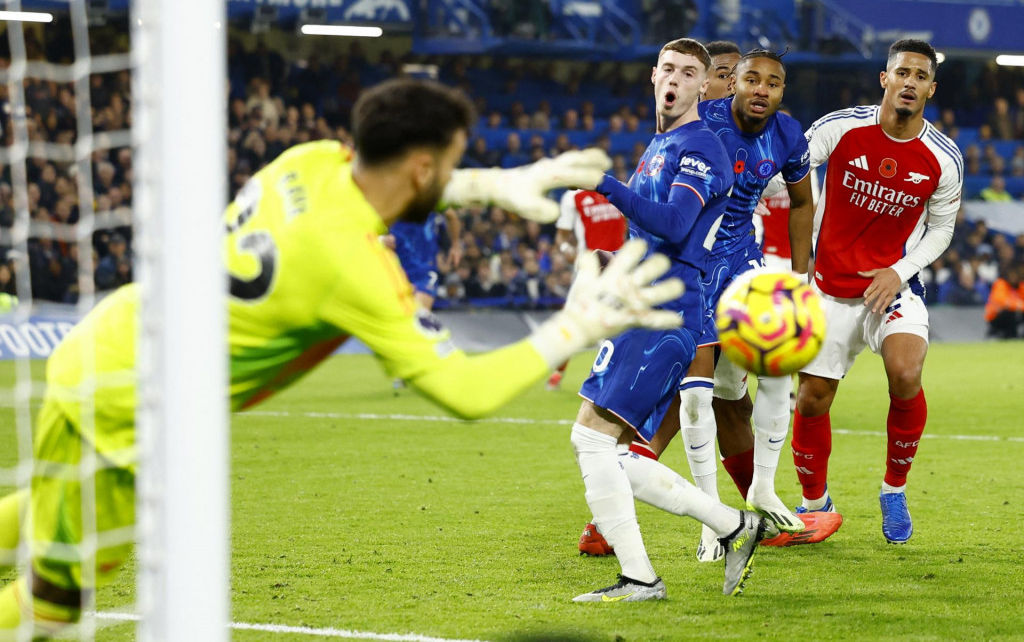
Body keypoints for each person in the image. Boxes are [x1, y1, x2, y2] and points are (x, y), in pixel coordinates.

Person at [0, 79, 685, 637]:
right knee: (55, 603)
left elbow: (396, 182)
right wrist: (575, 326)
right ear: (424, 165)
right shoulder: (352, 266)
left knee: (44, 508)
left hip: (109, 337)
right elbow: (465, 393)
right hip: (128, 407)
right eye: (449, 163)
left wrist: (492, 185)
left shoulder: (308, 160)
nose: (449, 176)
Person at [570, 38, 764, 604]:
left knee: (590, 439)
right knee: (611, 448)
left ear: (704, 86)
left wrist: (606, 184)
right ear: (654, 76)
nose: (676, 78)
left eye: (689, 72)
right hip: (648, 303)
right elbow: (658, 234)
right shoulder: (663, 142)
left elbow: (678, 223)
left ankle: (642, 578)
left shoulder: (700, 145)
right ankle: (732, 527)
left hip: (668, 314)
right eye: (669, 69)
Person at [792, 39, 963, 544]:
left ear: (931, 88)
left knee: (906, 371)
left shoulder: (943, 157)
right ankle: (814, 504)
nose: (910, 81)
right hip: (828, 287)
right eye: (902, 72)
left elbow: (941, 229)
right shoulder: (841, 127)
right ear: (884, 79)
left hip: (894, 285)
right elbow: (792, 166)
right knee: (812, 400)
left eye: (920, 75)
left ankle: (893, 489)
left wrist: (900, 268)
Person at [546, 188, 627, 390]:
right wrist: (567, 250)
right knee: (570, 321)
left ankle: (610, 379)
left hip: (618, 267)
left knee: (609, 323)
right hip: (589, 267)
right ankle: (560, 370)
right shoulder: (573, 197)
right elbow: (562, 236)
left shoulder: (620, 188)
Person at [386, 208, 463, 392]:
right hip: (396, 270)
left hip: (423, 270)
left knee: (419, 316)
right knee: (404, 321)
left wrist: (455, 244)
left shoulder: (426, 194)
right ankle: (416, 367)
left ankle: (436, 365)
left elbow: (451, 215)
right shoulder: (397, 196)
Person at [985, 262, 1024, 338]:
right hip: (995, 316)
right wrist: (1019, 305)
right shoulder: (1000, 284)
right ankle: (1010, 335)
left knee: (1014, 313)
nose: (1013, 277)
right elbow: (1002, 301)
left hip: (1015, 313)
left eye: (1015, 275)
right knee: (1010, 312)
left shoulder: (1020, 287)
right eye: (1011, 275)